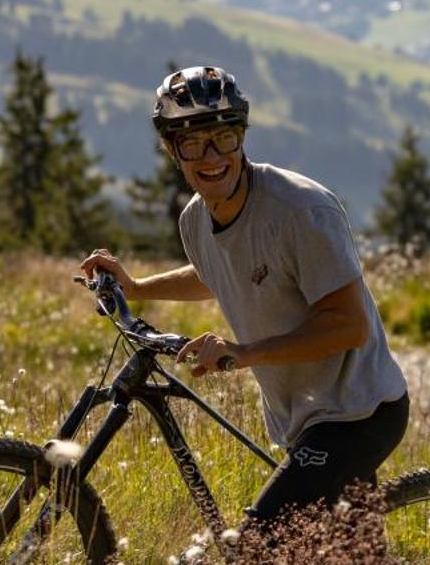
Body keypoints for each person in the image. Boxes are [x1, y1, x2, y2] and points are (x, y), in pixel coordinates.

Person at [77, 66, 409, 532]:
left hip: (358, 412)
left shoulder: (300, 211)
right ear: (172, 150)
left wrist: (243, 353)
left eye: (224, 137)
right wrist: (137, 288)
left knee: (257, 548)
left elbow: (348, 325)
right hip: (302, 414)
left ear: (242, 136)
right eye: (192, 142)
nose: (211, 156)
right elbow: (219, 272)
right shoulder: (195, 219)